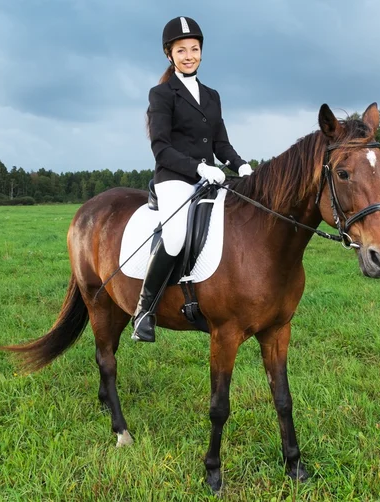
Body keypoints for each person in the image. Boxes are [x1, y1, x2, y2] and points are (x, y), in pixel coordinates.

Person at [131, 15, 253, 342]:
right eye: (181, 50)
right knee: (174, 236)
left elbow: (220, 143)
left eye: (194, 49)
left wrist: (241, 166)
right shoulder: (162, 94)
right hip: (174, 178)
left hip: (211, 178)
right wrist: (199, 168)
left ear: (201, 52)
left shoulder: (212, 95)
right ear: (169, 55)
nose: (189, 56)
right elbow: (161, 148)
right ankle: (145, 309)